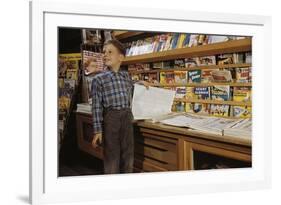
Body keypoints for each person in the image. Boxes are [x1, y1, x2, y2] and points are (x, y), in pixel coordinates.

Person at [91, 39, 149, 174]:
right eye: (104, 52)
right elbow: (96, 107)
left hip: (127, 117)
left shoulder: (125, 75)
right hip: (111, 118)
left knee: (128, 153)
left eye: (110, 52)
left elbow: (131, 86)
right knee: (112, 155)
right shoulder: (99, 79)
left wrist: (140, 82)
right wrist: (98, 131)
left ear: (121, 57)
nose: (105, 54)